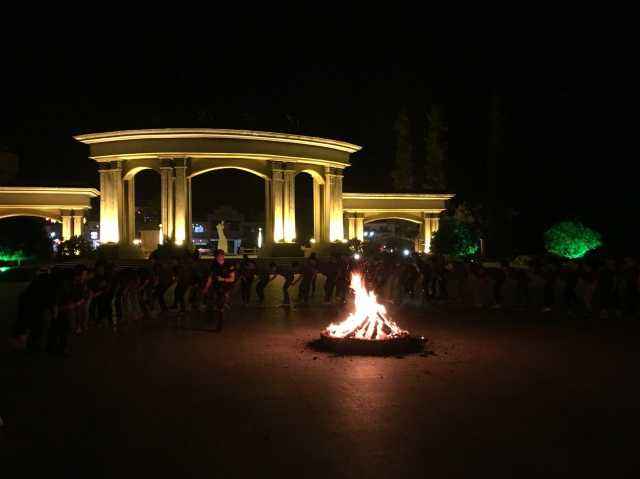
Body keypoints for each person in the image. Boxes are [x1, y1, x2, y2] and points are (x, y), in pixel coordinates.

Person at [203, 249, 236, 330]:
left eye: (220, 256)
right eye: (216, 256)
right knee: (213, 301)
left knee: (221, 303)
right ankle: (214, 316)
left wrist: (223, 279)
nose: (218, 258)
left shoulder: (229, 265)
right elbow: (210, 278)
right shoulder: (213, 265)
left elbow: (232, 279)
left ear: (223, 256)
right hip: (216, 286)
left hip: (226, 285)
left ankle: (220, 321)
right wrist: (206, 288)